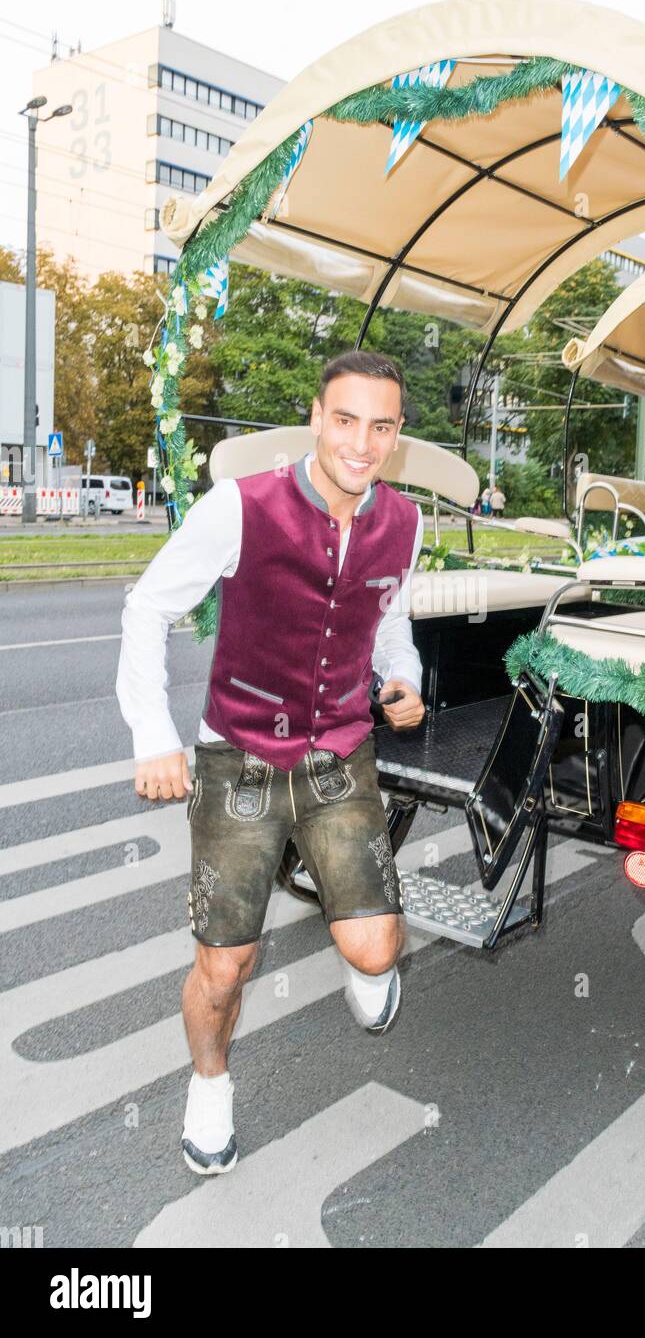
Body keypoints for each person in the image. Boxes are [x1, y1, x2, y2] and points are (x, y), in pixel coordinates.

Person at [115, 350, 426, 1176]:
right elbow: (146, 606)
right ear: (317, 419)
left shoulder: (405, 522)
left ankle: (369, 963)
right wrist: (153, 732)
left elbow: (390, 618)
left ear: (396, 436)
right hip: (241, 756)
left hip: (338, 756)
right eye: (347, 420)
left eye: (382, 426)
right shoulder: (238, 508)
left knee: (375, 949)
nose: (362, 442)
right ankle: (209, 1085)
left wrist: (404, 676)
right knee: (226, 965)